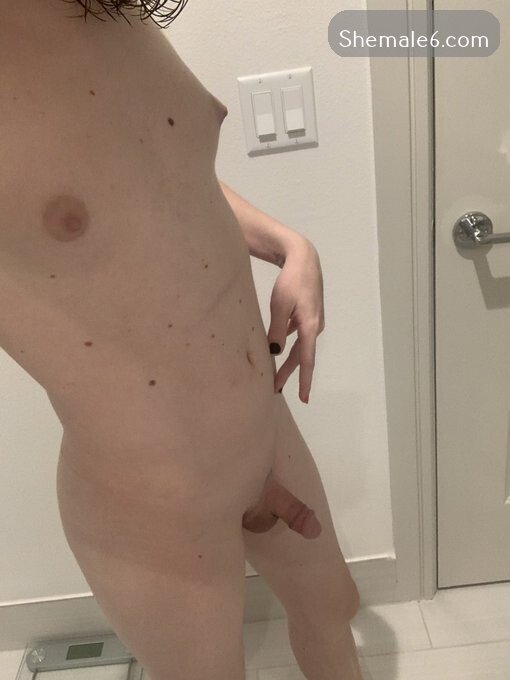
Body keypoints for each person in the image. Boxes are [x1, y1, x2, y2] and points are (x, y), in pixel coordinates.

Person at [0, 1, 363, 677]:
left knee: (334, 609)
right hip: (153, 507)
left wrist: (289, 244)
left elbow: (160, 174)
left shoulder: (104, 9)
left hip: (265, 432)